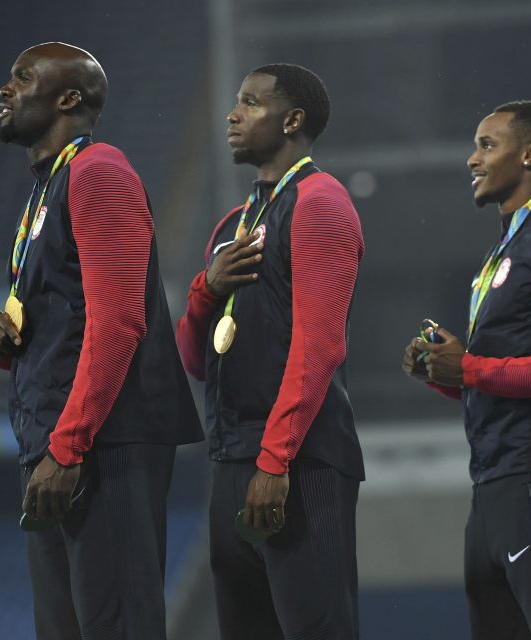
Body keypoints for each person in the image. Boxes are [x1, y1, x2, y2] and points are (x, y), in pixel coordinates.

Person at [0, 42, 203, 639]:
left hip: (102, 446)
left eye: (22, 77)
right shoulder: (45, 190)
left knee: (117, 626)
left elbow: (120, 319)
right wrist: (6, 343)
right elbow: (67, 319)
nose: (5, 89)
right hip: (59, 445)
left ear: (68, 98)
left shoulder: (98, 172)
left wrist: (68, 447)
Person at [402, 101, 531, 640]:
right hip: (494, 481)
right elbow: (492, 376)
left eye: (487, 145)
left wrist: (468, 368)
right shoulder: (503, 251)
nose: (472, 158)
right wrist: (444, 372)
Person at [175, 63, 364, 639]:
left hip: (297, 463)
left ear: (293, 120)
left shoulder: (320, 202)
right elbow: (191, 356)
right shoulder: (235, 223)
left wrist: (274, 461)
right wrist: (208, 287)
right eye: (236, 101)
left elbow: (319, 347)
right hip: (233, 459)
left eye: (251, 103)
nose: (233, 114)